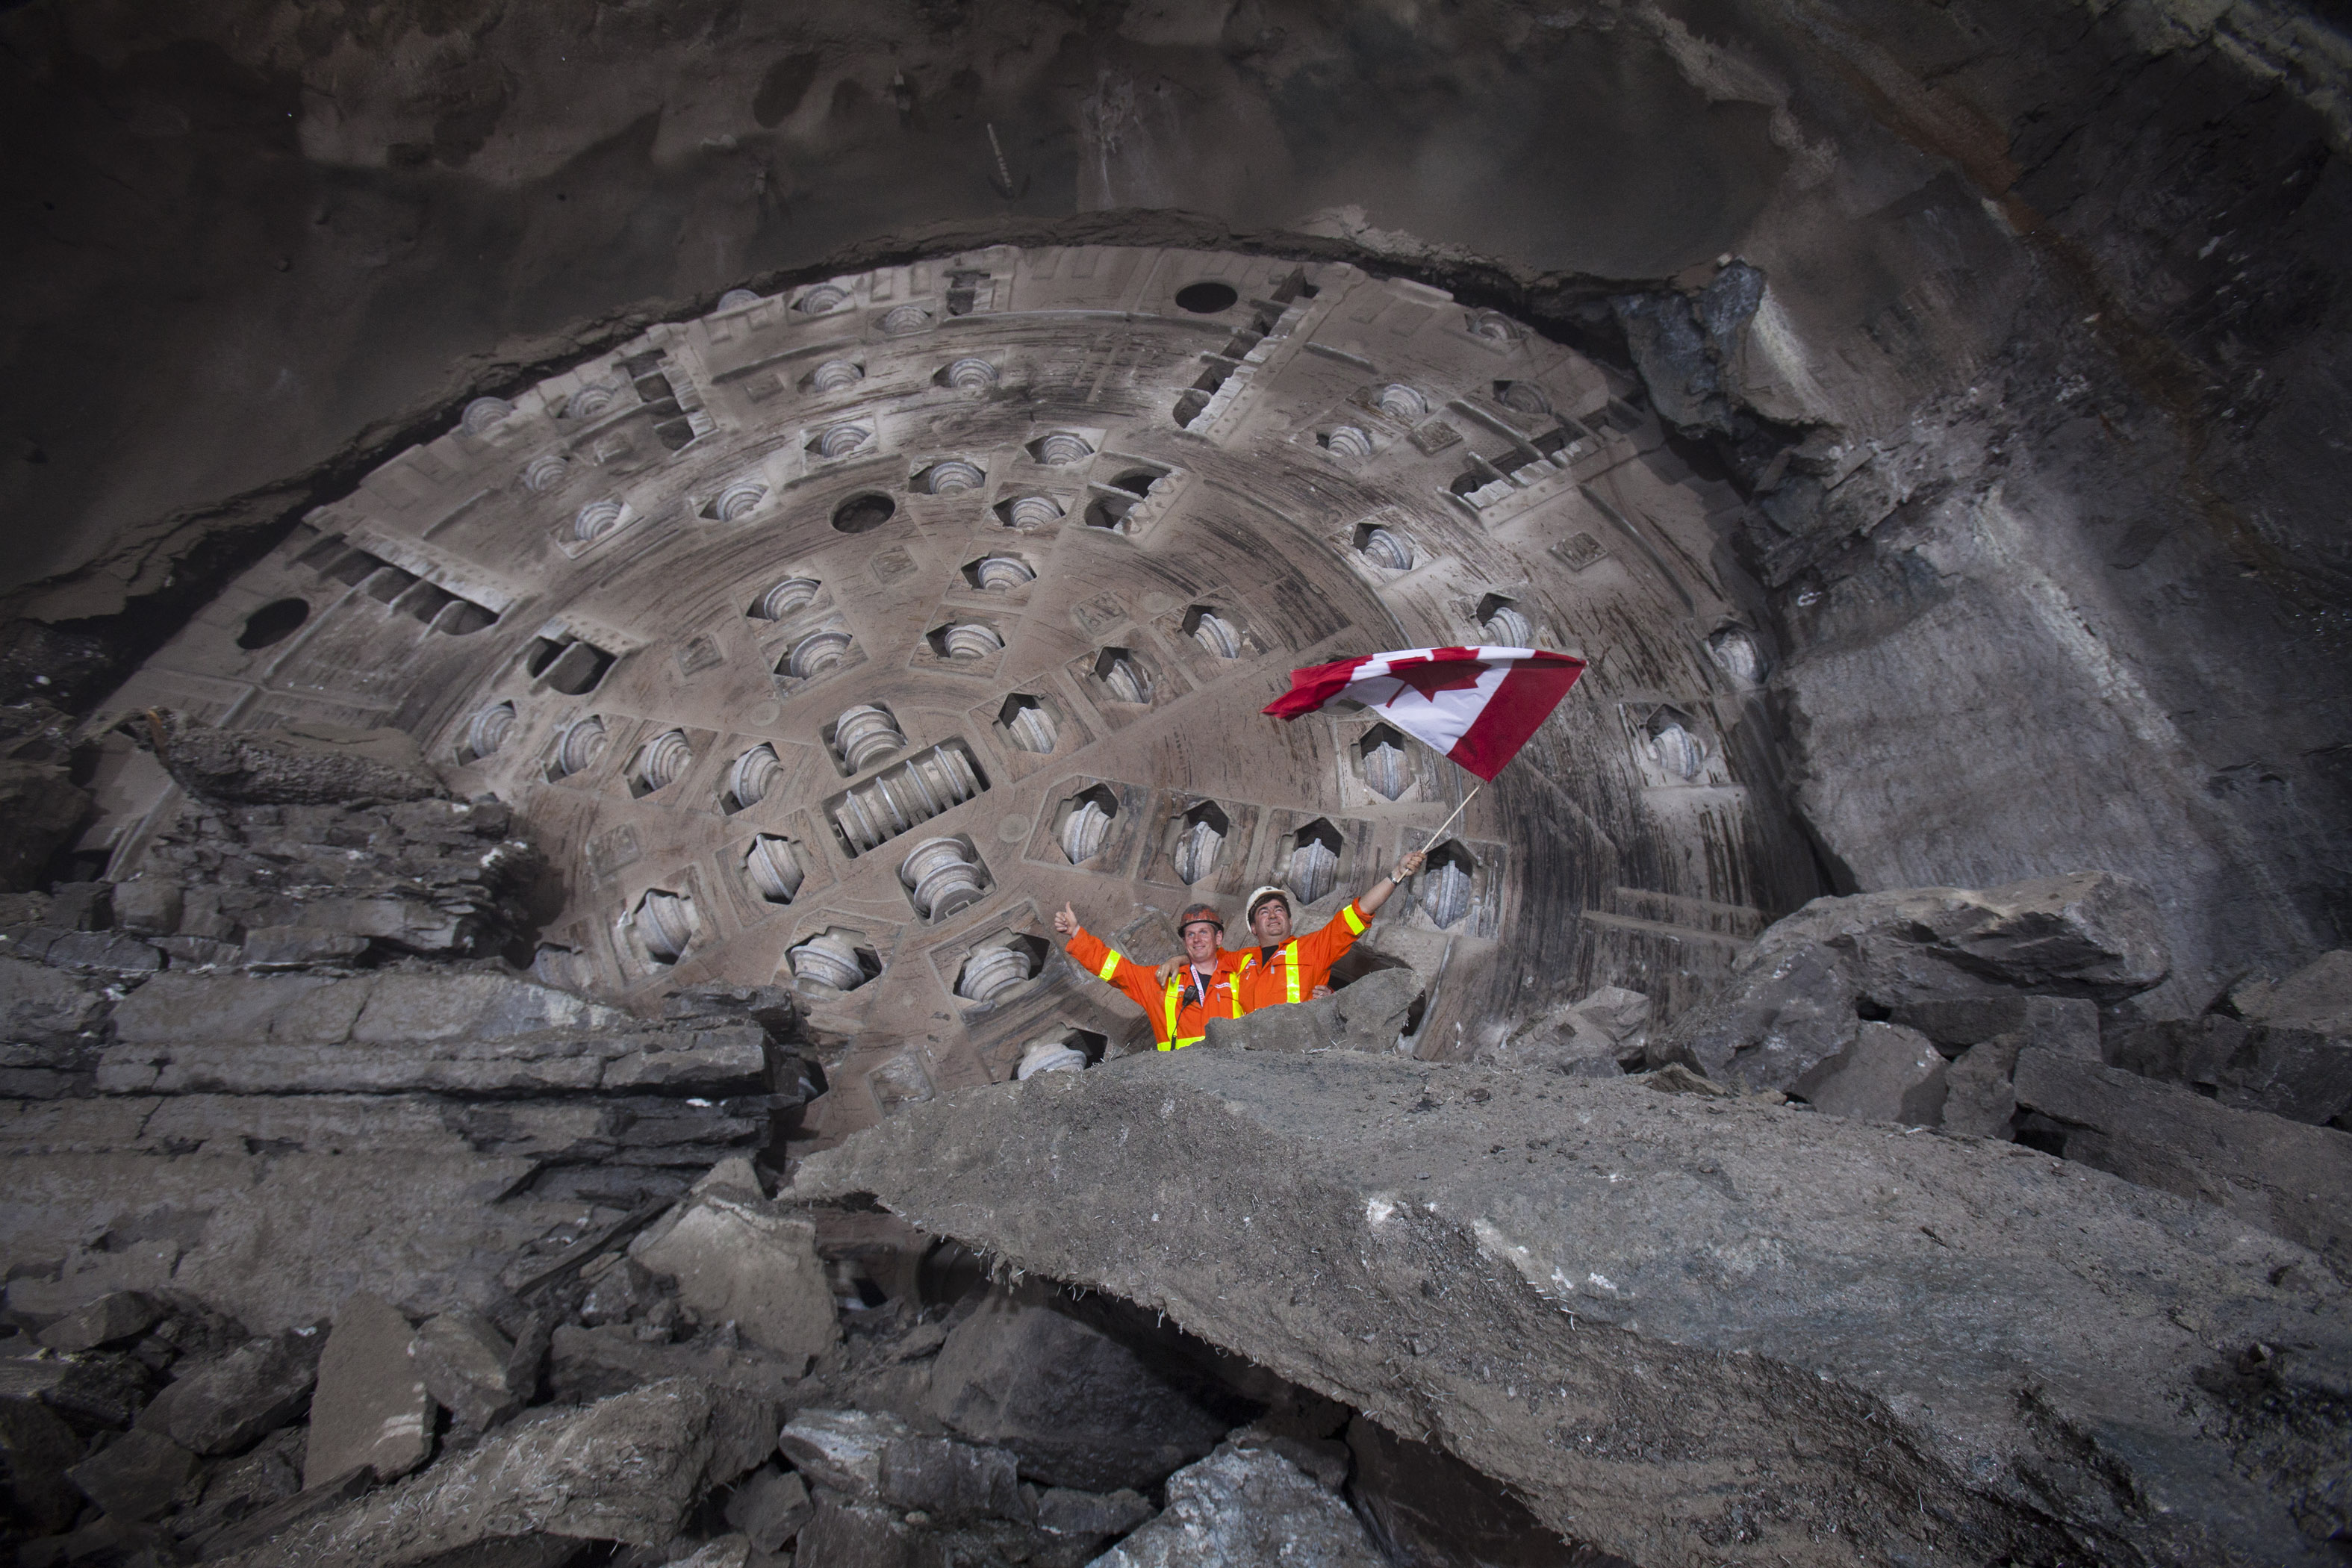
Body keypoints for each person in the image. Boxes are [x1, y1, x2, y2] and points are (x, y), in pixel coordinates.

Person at [1157, 847, 1426, 1012]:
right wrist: (1175, 960)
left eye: (1279, 910)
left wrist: (1395, 875)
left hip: (1296, 1055)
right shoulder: (1240, 961)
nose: (1273, 915)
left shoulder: (1313, 948)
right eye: (1264, 912)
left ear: (1289, 919)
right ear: (1252, 927)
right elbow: (1203, 957)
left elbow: (1360, 911)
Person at [1052, 900, 1239, 1051]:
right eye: (1190, 934)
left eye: (1203, 932)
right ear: (1184, 941)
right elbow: (1116, 969)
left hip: (1230, 1081)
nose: (1197, 939)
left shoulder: (1240, 977)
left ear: (1219, 938)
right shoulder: (1161, 981)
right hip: (1182, 1085)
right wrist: (1077, 933)